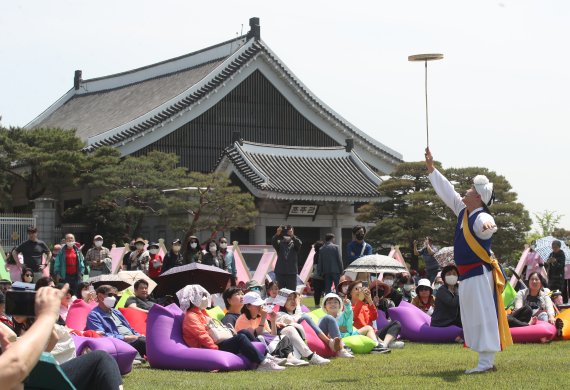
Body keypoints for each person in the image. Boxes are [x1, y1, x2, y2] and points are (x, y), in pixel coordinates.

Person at [425, 147, 511, 374]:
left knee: (482, 316)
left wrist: (488, 227)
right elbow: (448, 192)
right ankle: (484, 360)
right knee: (474, 316)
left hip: (479, 274)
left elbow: (486, 223)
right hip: (468, 275)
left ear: (478, 197)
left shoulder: (480, 215)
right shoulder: (464, 211)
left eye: (471, 188)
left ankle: (486, 362)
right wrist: (432, 170)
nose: (467, 189)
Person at [0, 283, 124, 390]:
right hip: (24, 379)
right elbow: (15, 365)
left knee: (100, 359)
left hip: (27, 377)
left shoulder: (14, 326)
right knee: (101, 359)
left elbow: (11, 341)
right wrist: (46, 315)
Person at [179, 285, 285, 371]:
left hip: (216, 342)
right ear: (193, 299)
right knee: (240, 338)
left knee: (244, 332)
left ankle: (267, 356)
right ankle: (263, 362)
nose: (206, 298)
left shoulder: (200, 313)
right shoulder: (191, 316)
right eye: (202, 296)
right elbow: (202, 337)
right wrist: (216, 350)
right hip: (210, 348)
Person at [236, 291, 328, 365]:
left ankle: (304, 356)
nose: (260, 306)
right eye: (257, 305)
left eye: (260, 304)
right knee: (263, 335)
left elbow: (272, 336)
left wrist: (272, 320)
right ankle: (307, 356)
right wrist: (264, 318)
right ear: (248, 306)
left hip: (269, 344)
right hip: (257, 347)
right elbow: (255, 338)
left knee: (289, 329)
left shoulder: (259, 316)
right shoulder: (242, 319)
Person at [275, 289, 348, 357]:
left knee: (329, 318)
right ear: (282, 301)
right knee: (304, 318)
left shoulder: (297, 312)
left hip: (316, 337)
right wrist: (298, 304)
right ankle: (329, 342)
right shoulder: (280, 315)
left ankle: (341, 349)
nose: (293, 301)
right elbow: (296, 319)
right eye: (289, 299)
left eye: (294, 298)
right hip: (305, 340)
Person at [86, 284, 147, 358]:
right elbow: (100, 336)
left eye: (115, 295)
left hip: (134, 340)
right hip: (120, 343)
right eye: (110, 295)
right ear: (100, 296)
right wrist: (125, 338)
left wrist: (138, 335)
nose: (113, 298)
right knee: (144, 342)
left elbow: (129, 328)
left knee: (149, 340)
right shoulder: (94, 315)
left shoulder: (116, 312)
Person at [321, 292, 389, 354]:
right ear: (325, 306)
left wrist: (347, 305)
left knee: (368, 328)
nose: (333, 304)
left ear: (339, 305)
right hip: (339, 339)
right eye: (329, 303)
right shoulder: (325, 319)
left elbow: (348, 314)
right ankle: (343, 347)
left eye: (335, 302)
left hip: (349, 334)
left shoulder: (342, 315)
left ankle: (376, 345)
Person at [347, 280, 404, 349]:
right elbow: (353, 317)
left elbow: (374, 317)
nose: (360, 291)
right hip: (361, 334)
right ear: (350, 293)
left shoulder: (366, 306)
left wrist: (370, 300)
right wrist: (360, 301)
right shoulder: (347, 306)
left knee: (396, 323)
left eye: (362, 289)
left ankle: (384, 344)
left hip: (374, 333)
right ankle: (385, 343)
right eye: (357, 289)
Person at [271, 225, 302, 291]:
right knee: (280, 293)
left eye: (289, 231)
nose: (287, 233)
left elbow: (299, 243)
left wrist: (292, 235)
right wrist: (277, 233)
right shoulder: (280, 243)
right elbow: (273, 242)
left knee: (291, 293)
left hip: (291, 273)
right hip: (280, 272)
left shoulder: (295, 243)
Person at [310, 241, 325, 307]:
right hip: (320, 276)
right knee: (321, 291)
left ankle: (317, 304)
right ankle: (320, 304)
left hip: (315, 276)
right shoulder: (320, 254)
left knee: (317, 292)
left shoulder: (316, 254)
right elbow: (317, 266)